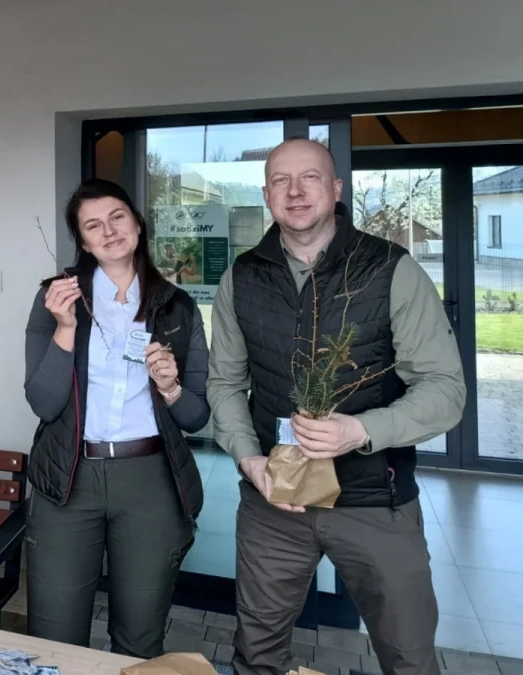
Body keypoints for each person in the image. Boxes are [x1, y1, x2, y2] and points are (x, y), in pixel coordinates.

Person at [206, 138, 466, 675]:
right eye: (281, 181)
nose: (295, 192)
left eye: (310, 178)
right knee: (256, 657)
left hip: (374, 503)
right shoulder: (242, 277)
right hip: (274, 502)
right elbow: (225, 384)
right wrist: (249, 461)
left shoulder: (391, 269)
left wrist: (361, 431)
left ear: (336, 188)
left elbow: (445, 390)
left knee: (409, 658)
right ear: (266, 195)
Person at [23, 178, 209, 658]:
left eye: (117, 217)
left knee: (140, 638)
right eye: (93, 226)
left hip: (149, 481)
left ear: (137, 224)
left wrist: (170, 389)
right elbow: (44, 403)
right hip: (69, 478)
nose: (108, 231)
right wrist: (66, 329)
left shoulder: (178, 307)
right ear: (83, 242)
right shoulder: (56, 300)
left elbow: (196, 416)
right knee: (55, 636)